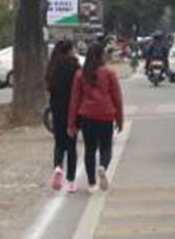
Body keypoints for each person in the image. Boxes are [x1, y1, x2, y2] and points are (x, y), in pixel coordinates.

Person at [67, 36, 124, 193]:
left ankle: (91, 184)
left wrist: (71, 123)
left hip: (87, 117)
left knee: (90, 150)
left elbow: (74, 100)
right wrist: (119, 119)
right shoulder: (109, 73)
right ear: (101, 56)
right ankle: (103, 166)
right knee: (106, 147)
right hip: (106, 115)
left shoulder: (80, 75)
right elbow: (117, 98)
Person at [45, 39, 81, 193]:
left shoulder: (52, 66)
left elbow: (49, 88)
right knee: (71, 145)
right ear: (69, 50)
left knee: (59, 142)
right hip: (72, 108)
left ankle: (58, 167)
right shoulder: (74, 66)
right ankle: (71, 181)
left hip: (56, 108)